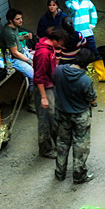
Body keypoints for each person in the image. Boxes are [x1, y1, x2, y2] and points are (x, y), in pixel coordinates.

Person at [53, 48, 96, 184]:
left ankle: (60, 172)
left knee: (62, 142)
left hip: (61, 113)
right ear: (87, 64)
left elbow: (54, 83)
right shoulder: (85, 80)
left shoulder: (59, 71)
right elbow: (92, 100)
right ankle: (79, 175)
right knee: (80, 144)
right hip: (80, 116)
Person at [34, 27, 67, 158]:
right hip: (44, 88)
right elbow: (39, 77)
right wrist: (43, 97)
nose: (62, 45)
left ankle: (56, 143)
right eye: (61, 42)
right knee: (45, 120)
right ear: (55, 40)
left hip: (50, 85)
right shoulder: (43, 53)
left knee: (53, 116)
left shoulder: (51, 48)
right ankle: (45, 149)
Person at [66, 0, 105, 81]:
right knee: (78, 55)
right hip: (77, 34)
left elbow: (93, 10)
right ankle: (79, 77)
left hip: (88, 33)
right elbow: (76, 7)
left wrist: (93, 23)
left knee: (95, 53)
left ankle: (103, 76)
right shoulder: (69, 3)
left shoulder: (86, 0)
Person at [0, 8, 36, 112]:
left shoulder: (14, 28)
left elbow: (16, 39)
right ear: (10, 21)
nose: (21, 21)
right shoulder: (8, 33)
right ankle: (32, 104)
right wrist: (29, 61)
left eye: (21, 18)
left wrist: (25, 37)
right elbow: (15, 53)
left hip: (22, 53)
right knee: (35, 76)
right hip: (13, 59)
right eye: (18, 19)